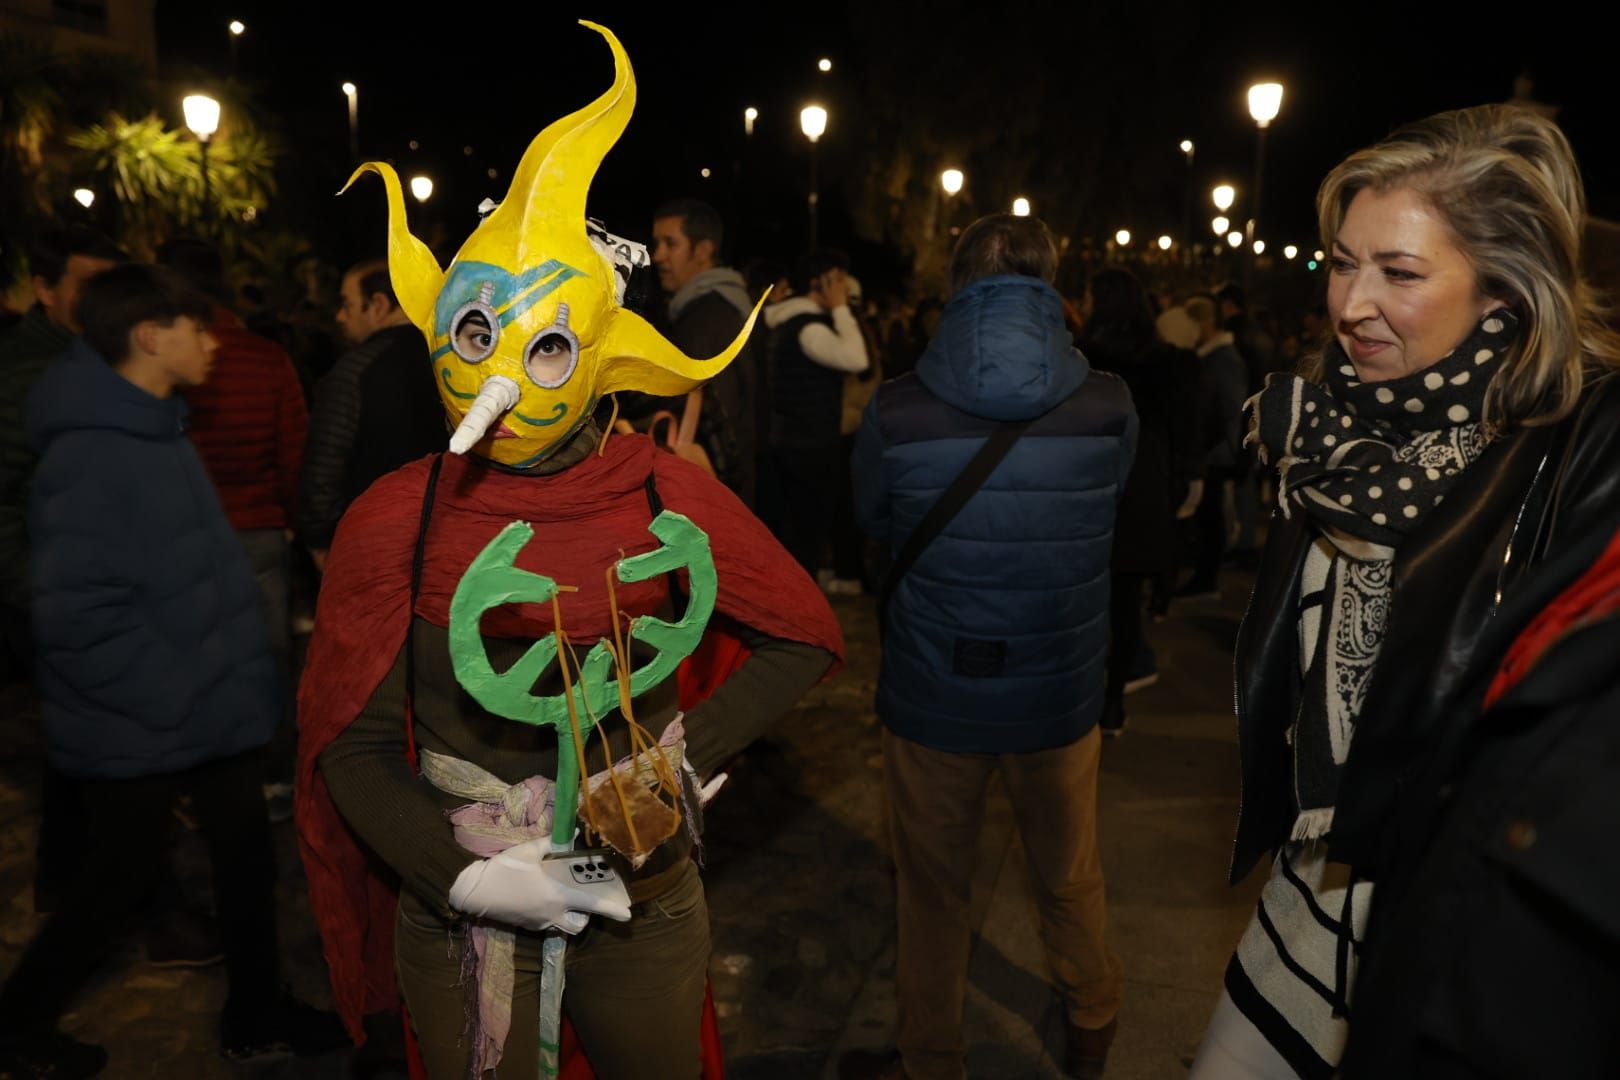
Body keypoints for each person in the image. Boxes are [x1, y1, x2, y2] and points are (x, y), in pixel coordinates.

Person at [298, 24, 844, 1079]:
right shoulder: (394, 517)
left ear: (596, 358)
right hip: (456, 911)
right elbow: (350, 748)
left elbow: (802, 634)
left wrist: (680, 758)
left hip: (642, 897)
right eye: (475, 338)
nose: (501, 374)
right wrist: (460, 876)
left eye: (544, 345)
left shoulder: (662, 491)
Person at [1190, 104, 1620, 1080]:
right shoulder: (1331, 424)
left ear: (1506, 294)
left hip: (1448, 902)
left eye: (1401, 272)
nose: (1350, 302)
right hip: (1313, 885)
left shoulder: (1583, 448)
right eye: (1344, 261)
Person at [0, 265, 344, 1079]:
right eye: (196, 327)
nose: (214, 341)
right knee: (117, 878)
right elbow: (71, 613)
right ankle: (17, 1020)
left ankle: (256, 1013)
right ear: (151, 337)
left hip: (203, 703)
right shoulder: (94, 453)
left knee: (246, 860)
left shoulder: (155, 423)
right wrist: (169, 699)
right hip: (155, 716)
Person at [848, 213, 1135, 1080]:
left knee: (933, 890)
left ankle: (931, 1057)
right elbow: (1110, 517)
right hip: (1058, 689)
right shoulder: (1108, 403)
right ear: (1054, 287)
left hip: (935, 689)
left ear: (954, 287)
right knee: (1068, 872)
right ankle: (1091, 1022)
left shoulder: (896, 408)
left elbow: (871, 523)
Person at [159, 238, 309, 814]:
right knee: (265, 659)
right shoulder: (265, 357)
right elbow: (293, 447)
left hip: (185, 532)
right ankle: (274, 779)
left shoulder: (165, 363)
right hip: (258, 531)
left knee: (191, 657)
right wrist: (293, 523)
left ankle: (204, 784)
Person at [1078, 269, 1201, 734]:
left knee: (1087, 598)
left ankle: (1087, 693)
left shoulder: (1083, 360)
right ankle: (1113, 701)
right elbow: (1184, 429)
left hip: (1092, 483)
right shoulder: (1167, 363)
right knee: (1127, 600)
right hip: (1144, 487)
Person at [297, 258, 443, 567]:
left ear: (378, 305)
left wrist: (321, 540)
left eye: (348, 304)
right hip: (444, 536)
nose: (340, 316)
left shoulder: (355, 370)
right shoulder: (451, 364)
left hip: (372, 544)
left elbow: (324, 464)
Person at [644, 197, 759, 505]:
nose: (658, 256)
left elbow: (723, 415)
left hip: (717, 492)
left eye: (671, 244)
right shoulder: (720, 306)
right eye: (657, 244)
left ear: (704, 250)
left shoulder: (706, 320)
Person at [764, 249, 869, 574]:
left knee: (796, 534)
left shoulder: (791, 322)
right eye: (836, 280)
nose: (845, 288)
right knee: (806, 538)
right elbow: (858, 359)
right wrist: (840, 309)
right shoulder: (810, 329)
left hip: (793, 442)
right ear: (817, 283)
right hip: (809, 447)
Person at [1177, 295, 1247, 599]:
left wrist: (1222, 446)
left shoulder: (1221, 359)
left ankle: (1207, 578)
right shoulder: (1216, 357)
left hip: (1216, 451)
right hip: (1214, 448)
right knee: (1210, 514)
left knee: (1212, 516)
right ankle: (1205, 576)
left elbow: (1230, 409)